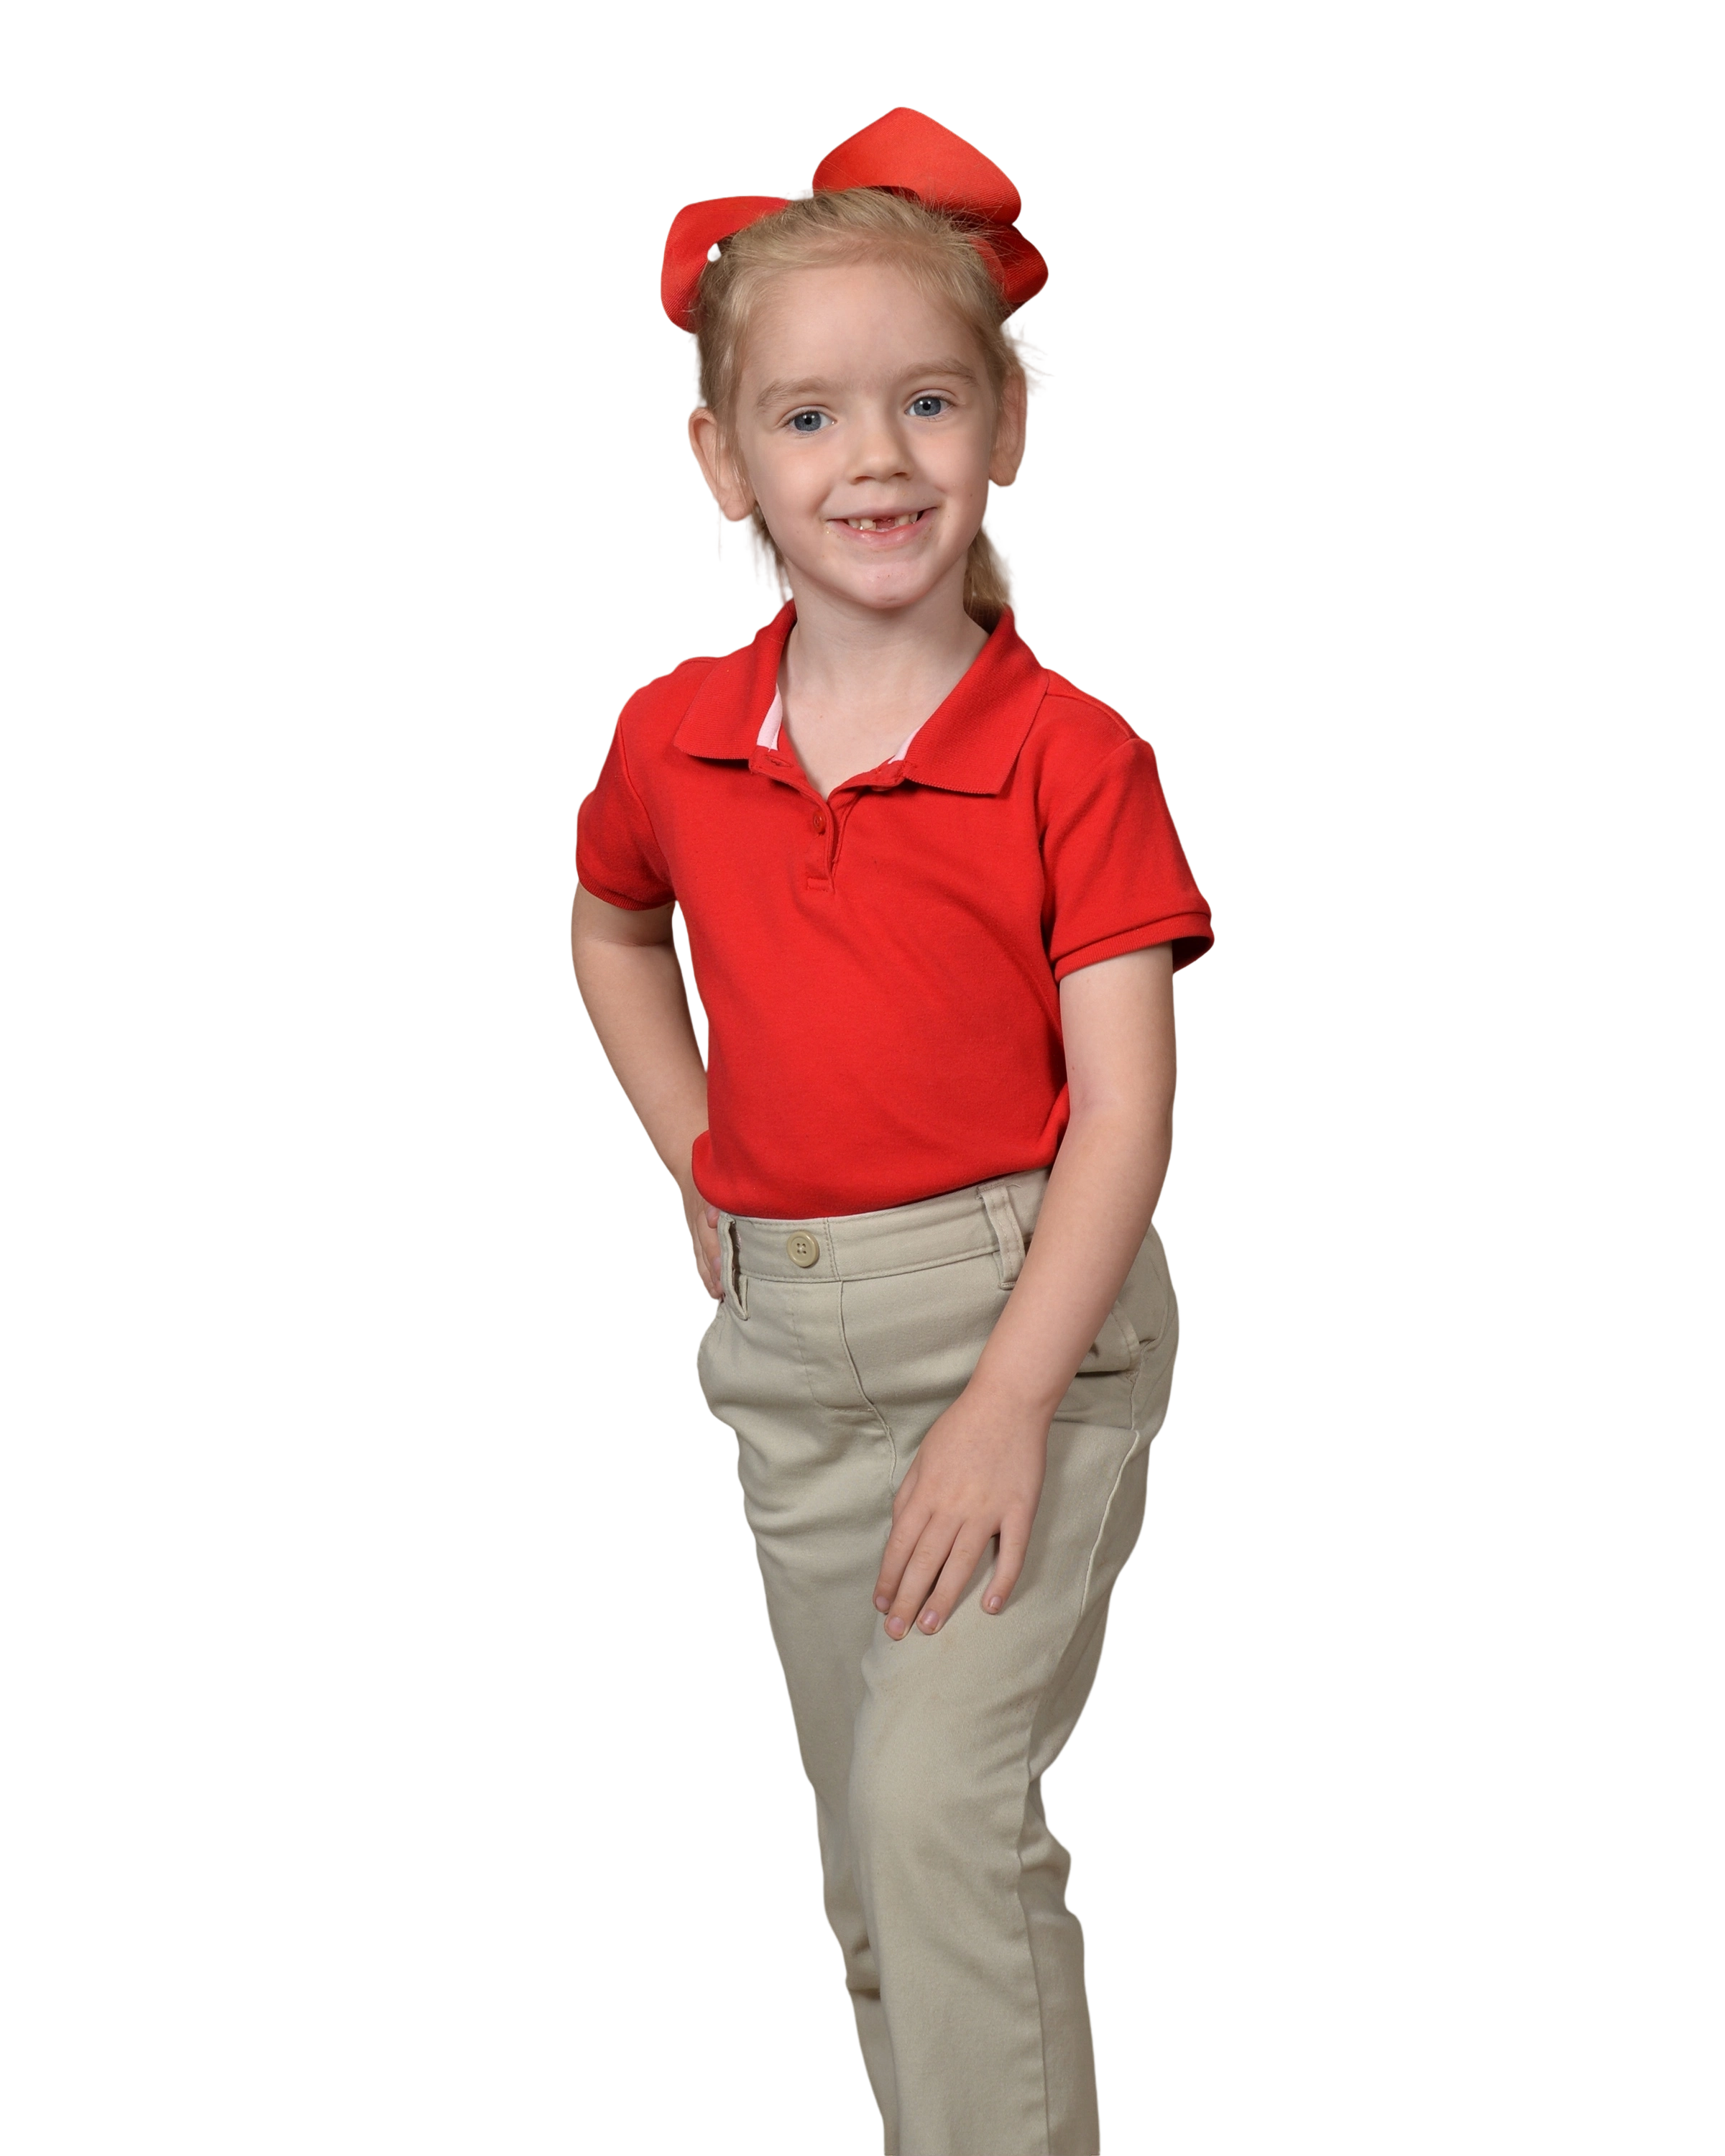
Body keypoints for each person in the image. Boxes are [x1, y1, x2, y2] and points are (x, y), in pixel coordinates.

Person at [569, 105, 1218, 2156]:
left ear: (1009, 423)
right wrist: (695, 1151)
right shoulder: (672, 734)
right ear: (722, 461)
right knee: (878, 1876)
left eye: (930, 401)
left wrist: (1010, 1404)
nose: (878, 459)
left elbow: (1127, 1114)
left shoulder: (1073, 759)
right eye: (811, 415)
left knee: (943, 1823)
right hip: (792, 1352)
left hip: (1025, 1325)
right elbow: (610, 927)